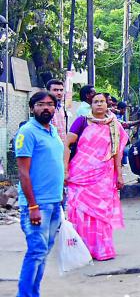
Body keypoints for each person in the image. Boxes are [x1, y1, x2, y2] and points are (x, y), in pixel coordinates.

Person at [65, 93, 129, 260]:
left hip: (104, 175)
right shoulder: (82, 121)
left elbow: (117, 153)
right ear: (91, 104)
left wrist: (119, 174)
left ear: (107, 104)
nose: (99, 104)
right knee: (80, 211)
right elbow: (67, 144)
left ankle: (101, 249)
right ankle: (81, 250)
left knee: (101, 212)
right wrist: (65, 169)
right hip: (81, 173)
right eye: (96, 102)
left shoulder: (114, 125)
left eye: (102, 101)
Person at [15, 91, 65, 297]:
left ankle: (33, 293)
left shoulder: (52, 130)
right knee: (36, 252)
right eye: (41, 104)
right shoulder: (27, 132)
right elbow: (23, 172)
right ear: (32, 108)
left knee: (43, 253)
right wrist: (33, 206)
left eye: (50, 104)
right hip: (37, 205)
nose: (46, 108)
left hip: (54, 203)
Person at [46, 79, 69, 147]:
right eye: (55, 90)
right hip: (50, 146)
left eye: (61, 90)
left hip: (62, 146)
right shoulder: (45, 109)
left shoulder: (61, 108)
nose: (59, 93)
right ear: (48, 91)